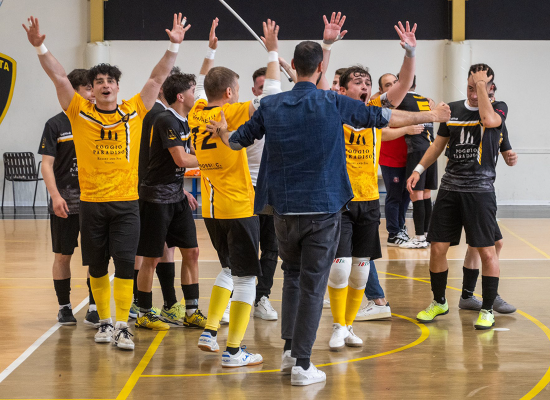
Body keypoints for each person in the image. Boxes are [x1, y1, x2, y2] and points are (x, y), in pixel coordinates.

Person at [206, 12, 450, 386]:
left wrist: (223, 132)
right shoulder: (332, 103)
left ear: (294, 66)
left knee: (292, 277)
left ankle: (290, 352)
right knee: (312, 284)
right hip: (322, 208)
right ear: (320, 68)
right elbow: (385, 117)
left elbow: (236, 142)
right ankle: (302, 365)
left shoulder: (270, 106)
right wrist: (432, 113)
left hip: (282, 210)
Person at [24, 13, 191, 350]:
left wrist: (174, 45)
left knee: (126, 265)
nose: (104, 85)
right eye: (98, 80)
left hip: (126, 202)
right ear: (92, 88)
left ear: (117, 86)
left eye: (109, 80)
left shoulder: (134, 110)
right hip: (91, 204)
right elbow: (58, 76)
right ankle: (104, 322)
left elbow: (157, 78)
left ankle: (122, 327)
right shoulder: (78, 111)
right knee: (97, 266)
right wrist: (40, 47)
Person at [319, 21, 426, 350]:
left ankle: (348, 326)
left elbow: (403, 84)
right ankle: (338, 326)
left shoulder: (376, 110)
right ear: (344, 90)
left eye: (367, 82)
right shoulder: (333, 108)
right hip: (339, 199)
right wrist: (327, 46)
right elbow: (319, 83)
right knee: (340, 269)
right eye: (358, 81)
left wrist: (410, 52)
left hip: (368, 199)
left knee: (361, 270)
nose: (364, 85)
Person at [190, 18, 281, 368]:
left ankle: (210, 331)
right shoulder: (232, 112)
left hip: (211, 210)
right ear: (229, 92)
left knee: (229, 269)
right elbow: (271, 96)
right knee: (246, 278)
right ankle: (234, 351)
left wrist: (210, 50)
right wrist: (272, 51)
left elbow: (202, 82)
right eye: (239, 89)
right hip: (239, 207)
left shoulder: (197, 113)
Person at [409, 63, 506, 330]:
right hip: (450, 190)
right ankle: (439, 301)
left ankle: (487, 309)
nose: (473, 94)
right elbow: (437, 146)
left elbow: (488, 120)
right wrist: (418, 169)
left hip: (480, 192)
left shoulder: (498, 108)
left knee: (486, 250)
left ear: (490, 87)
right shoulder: (452, 110)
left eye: (479, 88)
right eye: (470, 87)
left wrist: (482, 86)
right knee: (437, 248)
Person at [135, 72, 205, 331]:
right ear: (180, 96)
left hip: (176, 196)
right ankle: (144, 312)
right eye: (193, 91)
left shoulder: (184, 121)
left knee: (192, 252)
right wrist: (213, 160)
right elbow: (182, 160)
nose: (196, 95)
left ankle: (191, 311)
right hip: (156, 198)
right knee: (151, 258)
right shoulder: (166, 119)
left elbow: (192, 151)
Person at [38, 69, 98, 327]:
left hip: (95, 201)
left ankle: (95, 306)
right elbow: (47, 165)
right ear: (74, 91)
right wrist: (55, 196)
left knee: (96, 256)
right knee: (63, 255)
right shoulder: (56, 124)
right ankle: (64, 307)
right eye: (88, 88)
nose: (93, 93)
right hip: (66, 202)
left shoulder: (99, 120)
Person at [459, 82, 517, 313]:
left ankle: (470, 295)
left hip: (484, 190)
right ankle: (485, 297)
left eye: (489, 93)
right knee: (485, 244)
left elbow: (505, 149)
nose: (484, 97)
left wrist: (510, 157)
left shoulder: (499, 115)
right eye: (474, 90)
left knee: (485, 244)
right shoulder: (471, 118)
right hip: (472, 190)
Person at [248, 67, 279, 321]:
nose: (265, 93)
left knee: (271, 247)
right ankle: (236, 298)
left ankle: (262, 297)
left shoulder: (283, 116)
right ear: (254, 91)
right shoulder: (246, 116)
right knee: (246, 247)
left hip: (273, 189)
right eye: (261, 88)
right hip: (248, 188)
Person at [398, 76, 438, 249]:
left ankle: (419, 237)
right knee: (426, 194)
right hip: (431, 149)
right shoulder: (424, 100)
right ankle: (427, 235)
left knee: (416, 195)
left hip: (417, 150)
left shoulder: (402, 99)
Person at [378, 72, 411, 246]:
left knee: (406, 196)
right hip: (390, 159)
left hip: (408, 158)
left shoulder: (407, 103)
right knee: (394, 196)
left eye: (394, 83)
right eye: (387, 85)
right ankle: (393, 233)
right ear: (381, 90)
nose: (392, 87)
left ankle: (400, 227)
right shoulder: (381, 106)